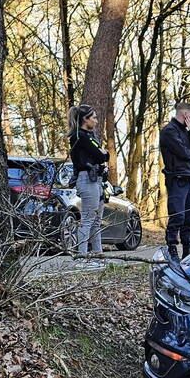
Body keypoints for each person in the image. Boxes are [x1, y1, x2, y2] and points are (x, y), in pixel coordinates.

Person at [160, 102, 190, 260]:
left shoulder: (187, 132)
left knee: (188, 217)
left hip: (189, 177)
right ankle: (171, 247)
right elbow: (185, 153)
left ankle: (187, 248)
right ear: (185, 115)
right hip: (176, 178)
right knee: (177, 215)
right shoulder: (168, 131)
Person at [67, 104, 110, 266]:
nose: (96, 121)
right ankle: (82, 258)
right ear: (85, 119)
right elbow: (100, 156)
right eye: (93, 118)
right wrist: (102, 154)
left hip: (97, 180)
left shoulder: (90, 136)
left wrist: (103, 154)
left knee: (97, 220)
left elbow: (105, 155)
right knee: (87, 219)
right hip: (87, 179)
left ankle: (98, 256)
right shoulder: (80, 136)